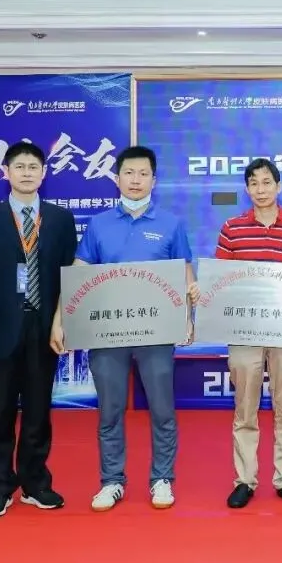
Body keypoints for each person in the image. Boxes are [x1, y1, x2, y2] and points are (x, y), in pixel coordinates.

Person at [50, 145, 194, 512]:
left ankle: (162, 478)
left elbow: (185, 275)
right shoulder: (99, 224)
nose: (135, 180)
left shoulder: (171, 224)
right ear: (117, 178)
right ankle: (111, 480)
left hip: (156, 333)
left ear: (154, 180)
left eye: (143, 174)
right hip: (107, 333)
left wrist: (188, 317)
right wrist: (59, 319)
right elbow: (79, 275)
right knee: (110, 410)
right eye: (129, 173)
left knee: (162, 409)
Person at [190, 158, 282, 509]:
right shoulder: (232, 229)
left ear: (279, 187)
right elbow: (221, 280)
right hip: (244, 329)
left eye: (267, 182)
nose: (260, 189)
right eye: (254, 183)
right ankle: (245, 480)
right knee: (245, 408)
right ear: (247, 189)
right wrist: (203, 290)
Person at [0, 141, 78, 518]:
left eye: (33, 167)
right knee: (0, 412)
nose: (27, 173)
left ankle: (35, 483)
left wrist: (66, 324)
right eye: (20, 166)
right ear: (6, 172)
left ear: (44, 173)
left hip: (44, 330)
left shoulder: (60, 219)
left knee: (39, 411)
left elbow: (71, 278)